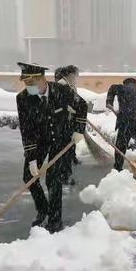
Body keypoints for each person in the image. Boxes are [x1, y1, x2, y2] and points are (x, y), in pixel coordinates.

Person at [16, 62, 87, 233]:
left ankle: (55, 220)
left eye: (31, 83)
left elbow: (82, 106)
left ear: (42, 79)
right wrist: (32, 158)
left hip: (61, 139)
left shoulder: (61, 91)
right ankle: (43, 209)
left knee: (53, 180)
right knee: (29, 176)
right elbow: (26, 129)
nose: (28, 87)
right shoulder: (23, 98)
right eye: (26, 83)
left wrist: (78, 130)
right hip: (39, 140)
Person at [106, 78, 136, 171]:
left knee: (121, 144)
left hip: (126, 122)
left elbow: (112, 88)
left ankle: (118, 166)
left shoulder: (122, 89)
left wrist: (109, 101)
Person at [54, 65, 85, 184]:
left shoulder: (69, 86)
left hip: (67, 123)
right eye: (75, 75)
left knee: (65, 149)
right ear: (70, 75)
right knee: (63, 151)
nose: (76, 78)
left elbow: (78, 104)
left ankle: (64, 174)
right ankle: (64, 176)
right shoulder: (62, 85)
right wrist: (65, 108)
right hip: (62, 123)